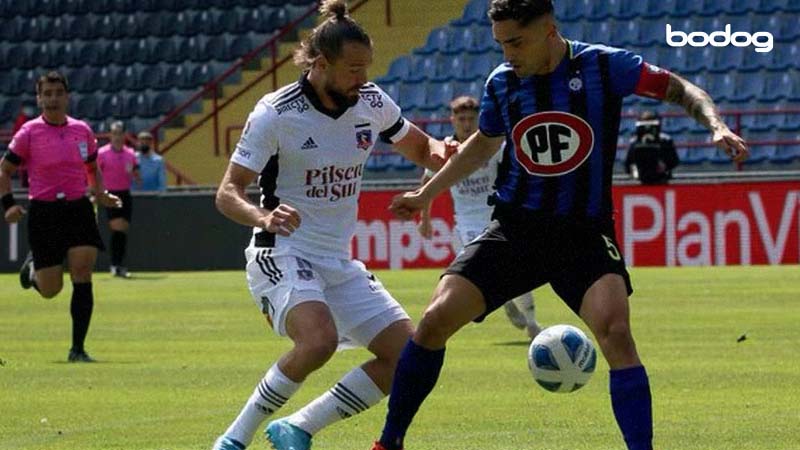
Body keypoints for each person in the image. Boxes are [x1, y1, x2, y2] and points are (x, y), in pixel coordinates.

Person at [371, 1, 749, 450]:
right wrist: (426, 193)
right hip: (517, 230)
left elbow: (678, 87)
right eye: (500, 43)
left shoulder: (604, 66)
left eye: (516, 41)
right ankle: (388, 443)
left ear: (549, 31)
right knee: (432, 322)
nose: (507, 53)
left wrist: (716, 126)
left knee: (617, 333)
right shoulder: (503, 83)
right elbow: (482, 145)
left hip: (583, 234)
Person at [210, 2, 451, 450]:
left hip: (337, 260)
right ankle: (232, 440)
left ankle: (297, 427)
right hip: (280, 250)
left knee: (407, 357)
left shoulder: (372, 102)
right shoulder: (275, 112)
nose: (362, 80)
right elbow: (227, 192)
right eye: (353, 69)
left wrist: (442, 151)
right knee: (317, 341)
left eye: (367, 68)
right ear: (320, 64)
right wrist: (263, 216)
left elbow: (422, 148)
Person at [0, 71, 122, 363]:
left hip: (78, 207)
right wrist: (7, 205)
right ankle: (33, 273)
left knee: (83, 272)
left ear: (67, 97)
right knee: (51, 289)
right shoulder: (28, 133)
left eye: (58, 93)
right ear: (39, 98)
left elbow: (92, 168)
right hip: (44, 212)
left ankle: (77, 349)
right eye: (47, 94)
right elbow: (5, 170)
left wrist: (100, 193)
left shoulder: (82, 130)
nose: (53, 98)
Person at [417, 95, 541, 339]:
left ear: (478, 119)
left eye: (470, 119)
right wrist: (425, 219)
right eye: (461, 119)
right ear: (452, 120)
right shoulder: (445, 150)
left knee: (516, 270)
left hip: (498, 215)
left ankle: (532, 322)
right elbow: (426, 181)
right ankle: (508, 302)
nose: (466, 124)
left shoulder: (491, 145)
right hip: (467, 223)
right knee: (494, 271)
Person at [97, 120, 140, 278]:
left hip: (125, 194)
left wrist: (133, 174)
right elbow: (95, 175)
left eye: (119, 133)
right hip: (110, 194)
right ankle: (116, 265)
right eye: (114, 133)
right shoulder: (102, 153)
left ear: (124, 135)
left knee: (122, 231)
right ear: (110, 135)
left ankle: (119, 265)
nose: (117, 137)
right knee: (118, 228)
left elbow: (137, 177)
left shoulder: (130, 154)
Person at [624, 110, 679, 185]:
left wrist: (665, 166)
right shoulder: (634, 142)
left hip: (662, 180)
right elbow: (628, 165)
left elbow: (674, 161)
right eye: (645, 123)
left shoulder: (665, 140)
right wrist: (635, 170)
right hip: (639, 182)